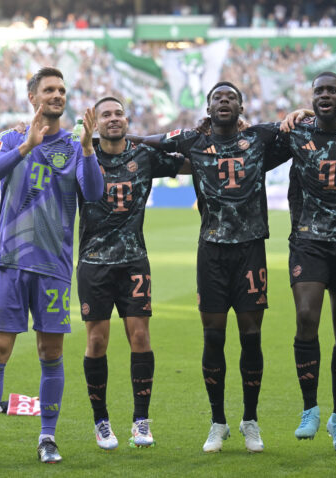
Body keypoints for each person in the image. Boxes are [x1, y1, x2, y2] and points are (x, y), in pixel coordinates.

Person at [0, 66, 103, 465]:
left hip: (52, 265)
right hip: (10, 262)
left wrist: (88, 148)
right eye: (49, 89)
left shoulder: (74, 145)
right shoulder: (11, 137)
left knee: (50, 352)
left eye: (62, 90)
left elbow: (95, 193)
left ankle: (47, 438)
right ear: (32, 97)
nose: (57, 95)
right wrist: (25, 146)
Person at [129, 82, 290, 453]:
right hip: (211, 253)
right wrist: (127, 134)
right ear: (209, 106)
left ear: (241, 106)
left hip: (250, 250)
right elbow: (156, 141)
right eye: (218, 97)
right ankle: (218, 422)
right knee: (213, 337)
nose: (224, 101)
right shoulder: (193, 141)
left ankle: (250, 420)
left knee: (251, 336)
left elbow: (293, 130)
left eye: (231, 97)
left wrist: (300, 115)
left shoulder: (260, 138)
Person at [77, 96, 188, 450]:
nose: (113, 119)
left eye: (118, 114)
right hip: (94, 263)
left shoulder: (144, 155)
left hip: (134, 261)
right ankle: (101, 422)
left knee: (139, 336)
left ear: (127, 119)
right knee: (96, 341)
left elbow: (190, 163)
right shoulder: (83, 152)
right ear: (96, 121)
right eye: (106, 114)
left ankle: (141, 421)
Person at [277, 72, 336, 455]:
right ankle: (309, 409)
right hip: (308, 240)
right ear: (311, 97)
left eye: (332, 90)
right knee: (305, 316)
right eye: (319, 91)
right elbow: (245, 137)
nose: (325, 95)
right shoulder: (295, 133)